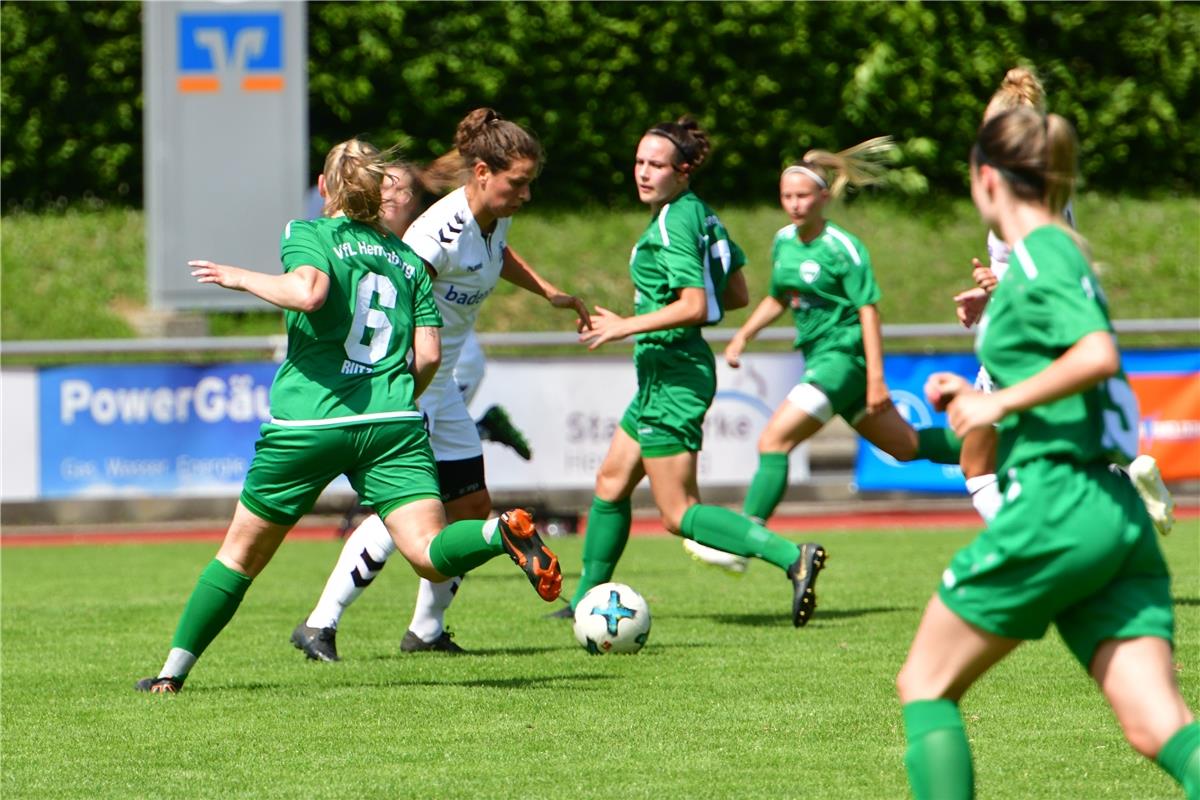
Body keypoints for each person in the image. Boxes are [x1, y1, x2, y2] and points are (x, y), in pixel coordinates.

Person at [134, 138, 562, 694]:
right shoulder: (409, 260)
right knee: (430, 554)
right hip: (392, 424)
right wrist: (403, 399)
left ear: (325, 189)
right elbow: (429, 355)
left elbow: (309, 293)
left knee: (239, 557)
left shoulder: (308, 232)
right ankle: (496, 531)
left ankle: (171, 675)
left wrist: (238, 278)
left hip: (309, 424)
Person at [896, 106, 1198, 798]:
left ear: (986, 179)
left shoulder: (1039, 249)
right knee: (1159, 726)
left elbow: (1096, 353)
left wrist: (996, 402)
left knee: (925, 684)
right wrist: (975, 381)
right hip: (1111, 513)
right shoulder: (1051, 253)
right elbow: (1064, 356)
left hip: (1059, 501)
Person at [291, 110, 590, 661]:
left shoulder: (493, 218)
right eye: (516, 183)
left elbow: (496, 256)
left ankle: (425, 631)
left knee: (472, 509)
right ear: (481, 172)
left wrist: (548, 291)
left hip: (443, 387)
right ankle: (320, 624)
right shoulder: (437, 231)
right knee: (407, 516)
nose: (524, 195)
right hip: (410, 381)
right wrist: (392, 380)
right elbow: (395, 291)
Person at [564, 116, 826, 629]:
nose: (642, 173)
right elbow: (736, 294)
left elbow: (695, 304)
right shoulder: (698, 214)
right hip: (664, 374)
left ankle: (792, 556)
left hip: (674, 372)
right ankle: (583, 600)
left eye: (656, 165)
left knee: (677, 513)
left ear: (682, 172)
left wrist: (626, 325)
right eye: (639, 162)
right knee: (612, 481)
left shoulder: (672, 222)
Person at [684, 137, 964, 575]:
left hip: (842, 362)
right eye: (786, 196)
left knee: (773, 440)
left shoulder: (843, 247)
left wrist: (875, 378)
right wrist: (743, 336)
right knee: (907, 447)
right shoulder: (783, 242)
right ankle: (1001, 449)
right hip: (823, 362)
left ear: (822, 196)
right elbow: (779, 297)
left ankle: (746, 538)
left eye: (801, 195)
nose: (793, 204)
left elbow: (869, 312)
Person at [951, 66, 1175, 534]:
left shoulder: (1037, 239)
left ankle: (1037, 538)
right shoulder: (1044, 209)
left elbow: (1088, 341)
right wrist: (990, 290)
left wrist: (998, 399)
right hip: (1031, 335)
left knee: (982, 466)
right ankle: (1115, 485)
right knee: (1015, 460)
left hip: (1029, 343)